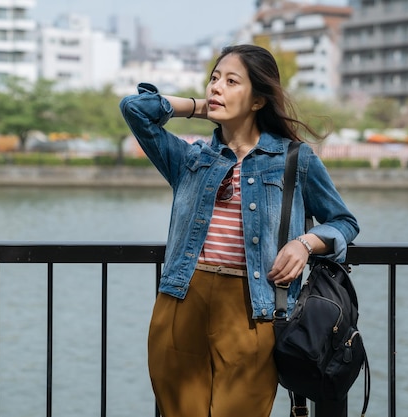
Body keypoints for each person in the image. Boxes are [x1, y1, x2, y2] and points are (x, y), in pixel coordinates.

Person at [119, 44, 359, 417]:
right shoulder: (190, 159)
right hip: (182, 303)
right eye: (214, 78)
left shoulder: (294, 159)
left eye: (232, 81)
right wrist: (203, 106)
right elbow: (134, 109)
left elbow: (344, 222)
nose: (217, 86)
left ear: (259, 99)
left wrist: (304, 244)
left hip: (254, 311)